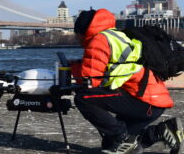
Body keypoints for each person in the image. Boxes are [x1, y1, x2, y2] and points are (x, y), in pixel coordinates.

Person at [70, 8, 184, 154]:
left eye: (76, 34)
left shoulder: (98, 40)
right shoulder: (116, 35)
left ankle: (124, 139)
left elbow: (91, 82)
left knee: (83, 99)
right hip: (153, 101)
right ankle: (164, 130)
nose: (76, 39)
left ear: (82, 31)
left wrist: (70, 69)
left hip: (143, 101)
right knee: (110, 144)